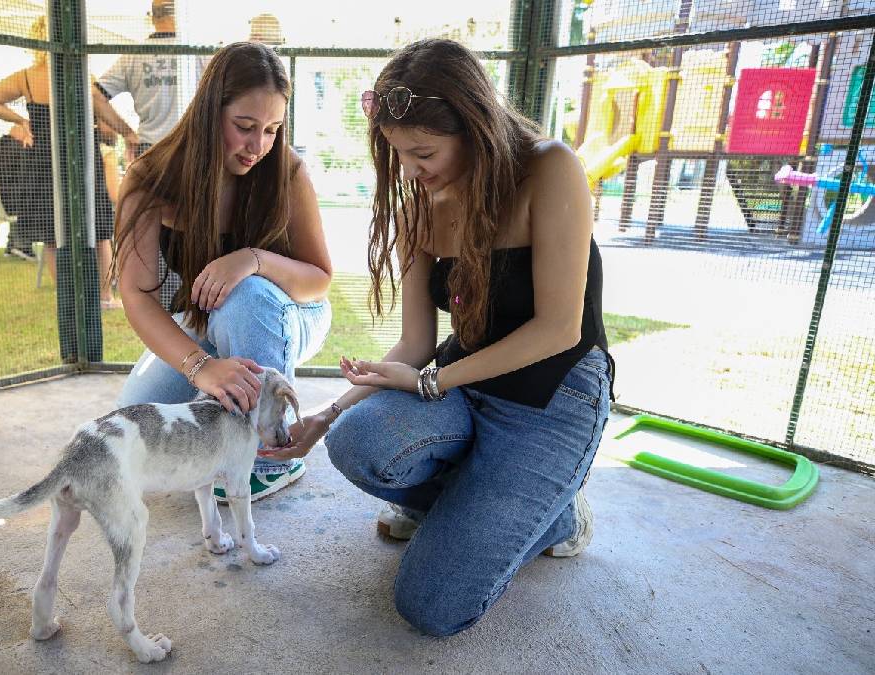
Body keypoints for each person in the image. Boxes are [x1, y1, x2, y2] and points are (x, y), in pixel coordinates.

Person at [260, 39, 614, 635]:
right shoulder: (420, 210)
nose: (410, 171)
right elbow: (415, 346)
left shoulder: (549, 168)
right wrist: (324, 415)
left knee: (432, 606)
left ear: (475, 129)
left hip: (552, 395)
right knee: (355, 440)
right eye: (399, 154)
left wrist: (431, 382)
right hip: (465, 382)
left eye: (423, 153)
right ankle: (470, 508)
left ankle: (556, 516)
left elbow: (560, 329)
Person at [114, 41, 332, 501]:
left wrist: (253, 260)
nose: (259, 146)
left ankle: (271, 457)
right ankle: (224, 419)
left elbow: (319, 279)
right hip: (205, 323)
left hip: (291, 314)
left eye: (272, 129)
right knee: (135, 423)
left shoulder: (288, 170)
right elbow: (136, 295)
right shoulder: (150, 177)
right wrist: (201, 368)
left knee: (246, 295)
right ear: (208, 112)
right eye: (245, 127)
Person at [0, 16, 137, 300]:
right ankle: (106, 298)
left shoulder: (27, 77)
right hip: (82, 159)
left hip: (43, 162)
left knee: (51, 234)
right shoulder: (83, 75)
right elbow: (104, 118)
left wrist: (21, 120)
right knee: (99, 230)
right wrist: (125, 133)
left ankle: (68, 299)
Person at [94, 0, 207, 157]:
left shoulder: (134, 56)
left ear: (152, 18)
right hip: (192, 147)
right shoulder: (199, 52)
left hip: (151, 150)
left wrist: (127, 133)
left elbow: (96, 95)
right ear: (180, 16)